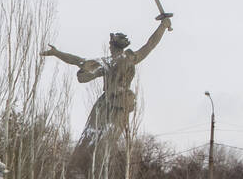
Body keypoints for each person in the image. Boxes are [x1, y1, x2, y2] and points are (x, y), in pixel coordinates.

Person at [41, 16, 172, 146]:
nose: (109, 48)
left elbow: (78, 61)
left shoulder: (108, 62)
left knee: (97, 141)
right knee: (102, 142)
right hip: (122, 102)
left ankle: (97, 161)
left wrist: (57, 53)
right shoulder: (130, 58)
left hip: (109, 104)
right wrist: (163, 26)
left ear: (113, 46)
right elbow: (150, 45)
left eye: (110, 45)